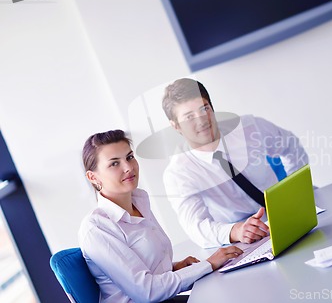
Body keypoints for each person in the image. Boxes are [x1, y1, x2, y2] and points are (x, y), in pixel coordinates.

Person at [78, 130, 242, 303]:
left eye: (130, 157)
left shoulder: (139, 203)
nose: (128, 167)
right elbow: (147, 291)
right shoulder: (97, 228)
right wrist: (209, 264)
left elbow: (139, 270)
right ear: (93, 177)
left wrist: (173, 268)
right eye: (114, 164)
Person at [162, 78, 309, 248]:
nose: (201, 120)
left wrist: (295, 192)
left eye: (204, 109)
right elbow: (196, 227)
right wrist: (236, 232)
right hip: (244, 242)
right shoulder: (178, 174)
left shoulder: (249, 128)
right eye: (189, 117)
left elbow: (291, 145)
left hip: (290, 216)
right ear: (175, 126)